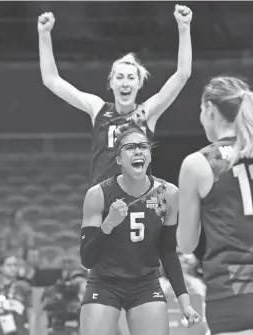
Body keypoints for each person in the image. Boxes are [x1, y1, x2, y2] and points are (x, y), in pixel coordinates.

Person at [176, 76, 253, 335]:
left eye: (201, 111)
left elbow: (187, 244)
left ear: (210, 108)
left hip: (237, 295)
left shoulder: (198, 163)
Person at [38, 4, 192, 186]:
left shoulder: (147, 112)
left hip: (138, 203)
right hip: (103, 204)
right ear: (111, 83)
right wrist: (44, 35)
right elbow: (51, 79)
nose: (125, 82)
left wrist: (184, 28)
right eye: (119, 77)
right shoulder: (98, 109)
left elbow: (182, 74)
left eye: (130, 78)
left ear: (139, 84)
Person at [79, 126, 200, 335]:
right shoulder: (99, 194)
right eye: (130, 148)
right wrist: (108, 224)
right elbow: (87, 259)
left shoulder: (167, 194)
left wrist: (185, 302)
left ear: (150, 156)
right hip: (104, 283)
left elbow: (168, 252)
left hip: (145, 283)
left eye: (143, 147)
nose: (138, 151)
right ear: (118, 160)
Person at [0, 255, 33, 335]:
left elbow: (31, 311)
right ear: (1, 268)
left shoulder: (24, 287)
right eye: (9, 265)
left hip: (20, 331)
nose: (13, 268)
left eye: (15, 265)